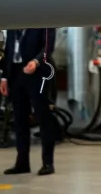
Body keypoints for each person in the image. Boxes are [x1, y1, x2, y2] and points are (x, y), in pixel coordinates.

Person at [1, 28, 58, 176]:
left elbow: (48, 47)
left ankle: (47, 163)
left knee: (43, 118)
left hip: (38, 74)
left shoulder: (43, 21)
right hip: (16, 74)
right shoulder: (14, 24)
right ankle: (22, 163)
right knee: (20, 120)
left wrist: (36, 61)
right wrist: (4, 77)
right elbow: (8, 49)